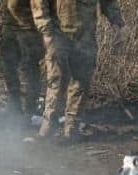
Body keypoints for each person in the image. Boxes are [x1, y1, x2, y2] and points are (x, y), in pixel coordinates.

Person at [32, 0, 123, 141]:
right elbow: (39, 3)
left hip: (85, 36)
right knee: (57, 82)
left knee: (81, 82)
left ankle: (72, 130)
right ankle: (48, 129)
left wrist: (116, 21)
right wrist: (46, 31)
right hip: (58, 34)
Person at [0, 0, 43, 127]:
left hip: (30, 28)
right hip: (9, 27)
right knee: (8, 69)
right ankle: (14, 108)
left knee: (30, 70)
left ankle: (30, 111)